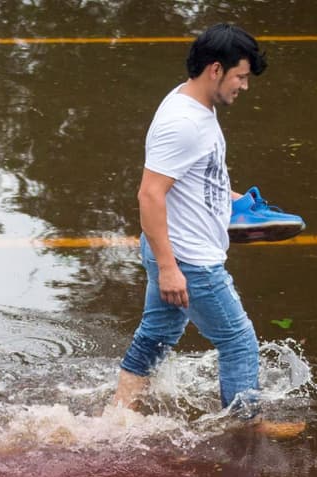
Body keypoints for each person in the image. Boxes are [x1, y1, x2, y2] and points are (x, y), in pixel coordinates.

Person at [111, 23, 278, 424]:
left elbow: (193, 177)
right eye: (240, 76)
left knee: (156, 335)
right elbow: (149, 194)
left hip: (175, 250)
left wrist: (231, 198)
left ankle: (114, 420)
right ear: (216, 70)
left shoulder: (193, 105)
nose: (245, 86)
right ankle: (244, 434)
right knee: (239, 343)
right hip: (190, 261)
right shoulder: (184, 123)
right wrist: (170, 269)